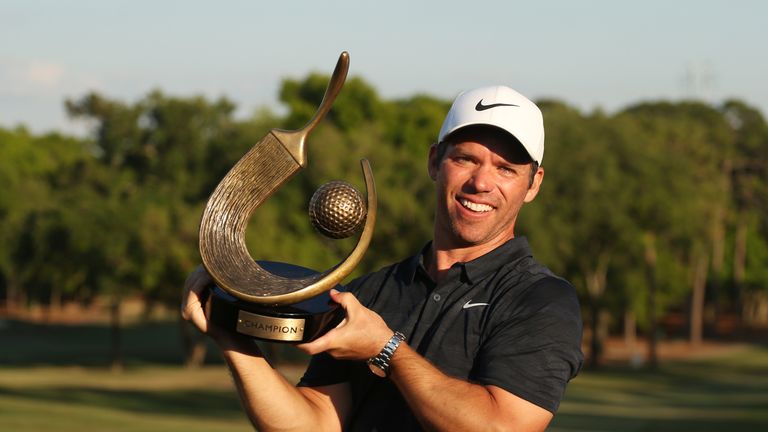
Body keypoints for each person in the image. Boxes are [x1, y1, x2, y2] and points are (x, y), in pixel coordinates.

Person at [182, 85, 584, 431]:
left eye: (506, 168)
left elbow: (499, 426)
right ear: (434, 162)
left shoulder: (541, 300)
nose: (481, 182)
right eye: (465, 159)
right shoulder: (368, 293)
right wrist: (231, 332)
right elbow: (316, 423)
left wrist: (385, 348)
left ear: (534, 184)